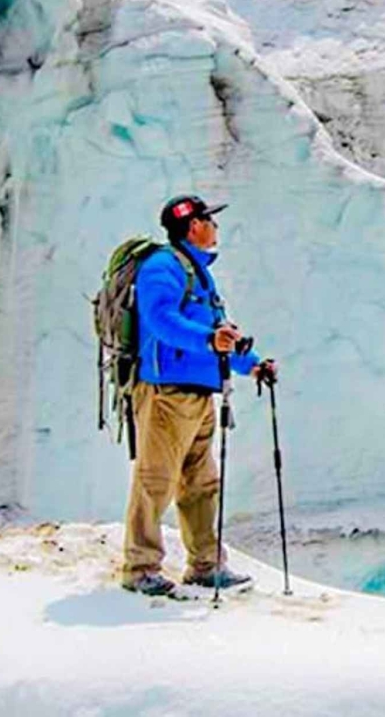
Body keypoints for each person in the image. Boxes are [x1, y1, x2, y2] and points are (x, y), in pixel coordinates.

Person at [121, 194, 277, 596]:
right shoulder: (162, 267)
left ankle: (205, 565)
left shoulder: (197, 273)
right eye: (211, 220)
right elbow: (160, 321)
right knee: (155, 480)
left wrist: (254, 364)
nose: (215, 228)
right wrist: (209, 339)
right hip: (166, 393)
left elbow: (221, 336)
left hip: (198, 395)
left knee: (201, 482)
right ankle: (140, 569)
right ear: (193, 225)